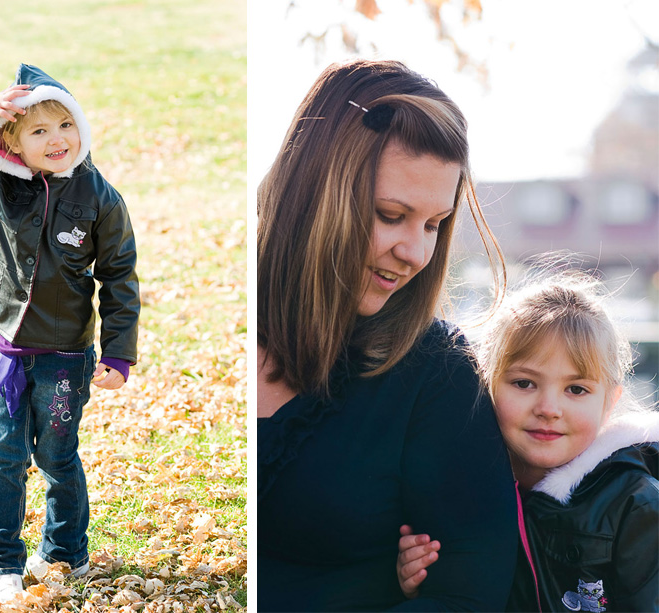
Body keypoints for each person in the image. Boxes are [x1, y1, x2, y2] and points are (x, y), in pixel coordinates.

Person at [257, 58, 519, 611]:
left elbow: (469, 590)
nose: (417, 253)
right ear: (315, 190)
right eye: (391, 214)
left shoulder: (435, 372)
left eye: (434, 224)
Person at [0, 63, 140, 605]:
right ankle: (1, 560)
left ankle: (67, 549)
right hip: (8, 350)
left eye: (64, 126)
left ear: (81, 129)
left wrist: (118, 354)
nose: (55, 140)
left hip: (66, 356)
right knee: (4, 454)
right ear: (12, 141)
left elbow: (119, 278)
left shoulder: (101, 198)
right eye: (38, 131)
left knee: (57, 456)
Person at [396, 271, 659, 611]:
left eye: (576, 389)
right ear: (485, 383)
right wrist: (419, 581)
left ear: (609, 401)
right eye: (524, 383)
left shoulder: (636, 505)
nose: (548, 409)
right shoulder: (465, 486)